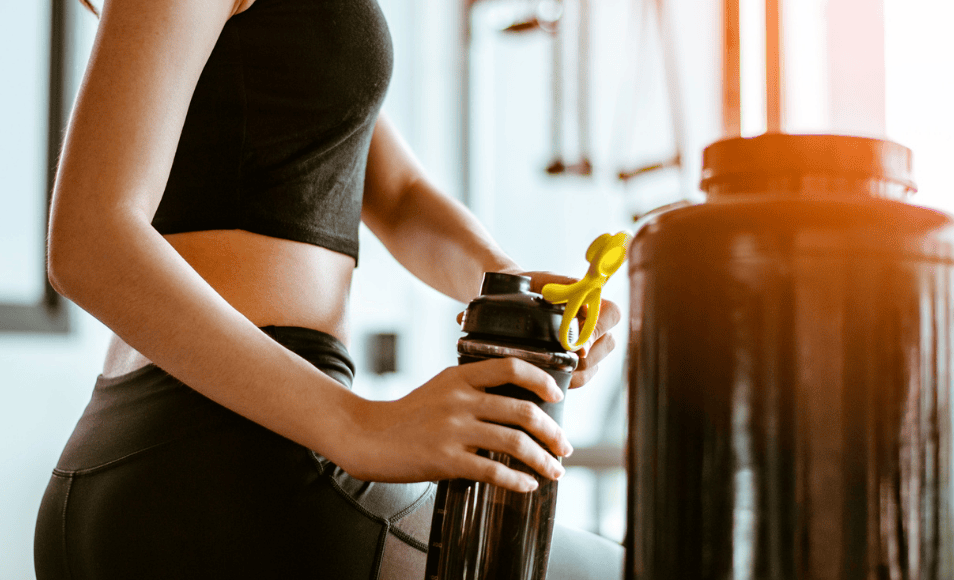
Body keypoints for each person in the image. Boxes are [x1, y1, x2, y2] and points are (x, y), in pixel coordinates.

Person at [32, 0, 623, 577]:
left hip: (182, 469)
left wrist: (510, 286)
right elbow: (90, 241)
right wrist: (361, 426)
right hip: (231, 473)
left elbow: (398, 194)